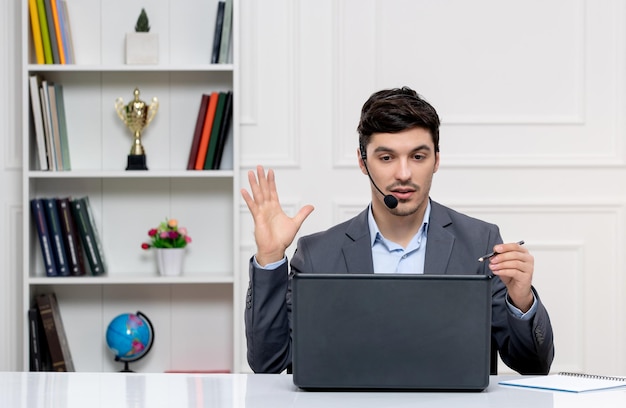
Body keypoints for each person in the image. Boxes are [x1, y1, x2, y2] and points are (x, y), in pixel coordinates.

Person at [241, 86, 554, 375]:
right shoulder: (317, 254)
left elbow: (532, 366)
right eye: (386, 157)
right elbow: (268, 364)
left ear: (436, 161)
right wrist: (270, 257)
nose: (403, 174)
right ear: (363, 162)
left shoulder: (479, 243)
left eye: (418, 157)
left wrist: (522, 299)